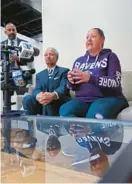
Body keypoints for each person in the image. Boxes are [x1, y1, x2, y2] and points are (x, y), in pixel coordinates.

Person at [59, 28, 129, 119]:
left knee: (95, 116)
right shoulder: (79, 61)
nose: (89, 39)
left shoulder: (110, 56)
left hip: (107, 98)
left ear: (102, 40)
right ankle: (79, 133)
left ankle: (96, 132)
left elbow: (115, 82)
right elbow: (72, 87)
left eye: (93, 36)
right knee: (64, 110)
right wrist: (71, 81)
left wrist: (90, 78)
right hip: (83, 100)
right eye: (87, 37)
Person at [22, 47, 70, 116]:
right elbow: (37, 89)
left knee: (47, 100)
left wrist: (52, 95)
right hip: (43, 104)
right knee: (27, 99)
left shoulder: (64, 71)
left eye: (51, 54)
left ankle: (47, 126)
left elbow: (63, 88)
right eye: (46, 55)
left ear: (57, 58)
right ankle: (30, 124)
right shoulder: (39, 75)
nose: (48, 56)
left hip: (59, 102)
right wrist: (38, 95)